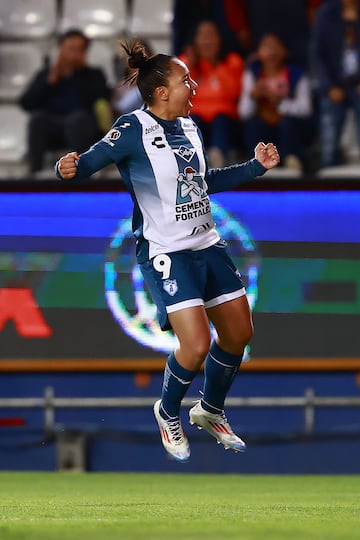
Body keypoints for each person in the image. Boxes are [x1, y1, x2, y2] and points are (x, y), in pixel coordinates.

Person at [55, 42, 280, 463]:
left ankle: (209, 410)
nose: (192, 86)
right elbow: (85, 164)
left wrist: (254, 167)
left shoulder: (190, 126)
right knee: (193, 347)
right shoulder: (131, 129)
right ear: (161, 92)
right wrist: (66, 167)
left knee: (238, 334)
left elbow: (201, 182)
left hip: (207, 244)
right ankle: (167, 410)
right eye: (184, 81)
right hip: (167, 251)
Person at [19, 28, 112, 175]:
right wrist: (50, 82)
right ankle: (34, 175)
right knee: (37, 120)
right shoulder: (47, 74)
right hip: (53, 128)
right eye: (71, 49)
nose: (74, 54)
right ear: (60, 50)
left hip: (83, 127)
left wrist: (77, 75)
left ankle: (82, 174)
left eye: (79, 50)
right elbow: (26, 103)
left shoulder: (94, 75)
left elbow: (102, 98)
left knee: (78, 119)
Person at [239, 33, 312, 172]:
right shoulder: (252, 74)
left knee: (288, 125)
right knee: (254, 126)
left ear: (285, 51)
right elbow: (244, 112)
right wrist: (253, 96)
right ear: (258, 52)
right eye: (266, 47)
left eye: (275, 47)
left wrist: (279, 103)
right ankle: (259, 164)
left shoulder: (297, 73)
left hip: (289, 126)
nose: (271, 52)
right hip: (263, 125)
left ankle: (292, 160)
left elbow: (305, 108)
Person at [180, 20, 245, 167]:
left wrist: (216, 66)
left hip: (224, 118)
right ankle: (191, 162)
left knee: (220, 120)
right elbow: (177, 96)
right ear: (195, 40)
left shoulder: (232, 62)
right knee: (192, 121)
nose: (207, 41)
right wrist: (191, 67)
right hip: (194, 116)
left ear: (220, 39)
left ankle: (218, 158)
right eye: (202, 36)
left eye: (211, 35)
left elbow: (234, 93)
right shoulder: (184, 63)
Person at [312, 0, 360, 168]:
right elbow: (318, 53)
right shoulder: (327, 12)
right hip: (334, 83)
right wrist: (329, 86)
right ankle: (328, 171)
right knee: (329, 142)